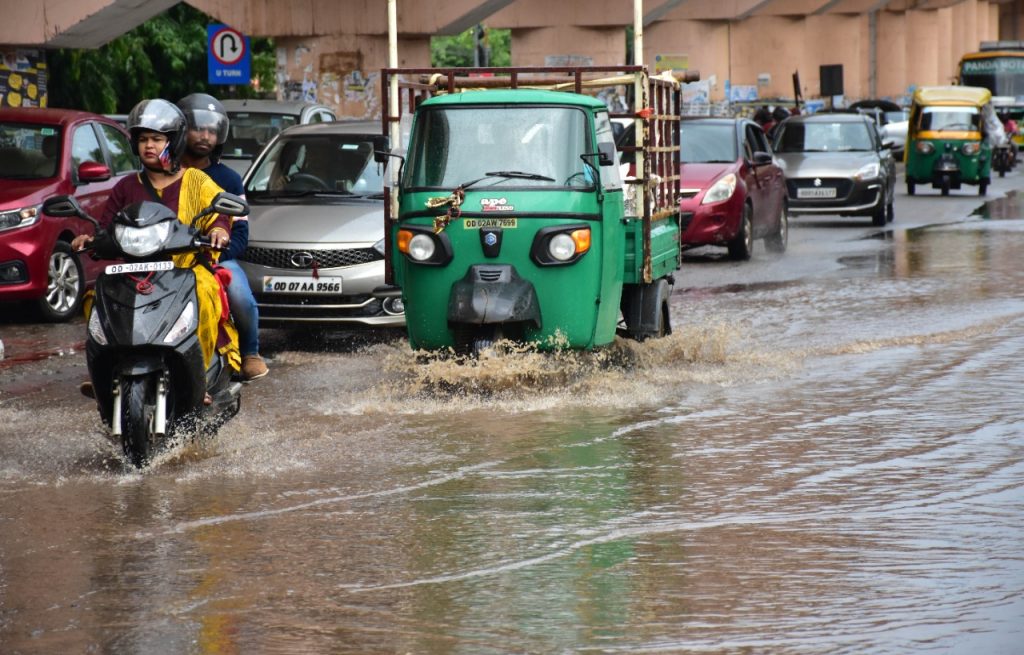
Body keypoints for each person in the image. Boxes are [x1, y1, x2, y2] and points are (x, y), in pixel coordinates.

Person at [72, 99, 240, 400]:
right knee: (94, 299)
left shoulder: (196, 180)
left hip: (185, 271)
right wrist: (90, 240)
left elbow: (219, 213)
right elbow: (107, 227)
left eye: (157, 139)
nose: (149, 145)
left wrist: (218, 229)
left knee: (205, 295)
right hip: (133, 272)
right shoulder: (126, 186)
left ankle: (198, 378)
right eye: (143, 139)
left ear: (173, 142)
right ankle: (106, 374)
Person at [177, 93, 268, 381]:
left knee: (241, 296)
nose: (205, 136)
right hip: (169, 257)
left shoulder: (229, 179)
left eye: (211, 130)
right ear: (181, 130)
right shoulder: (166, 173)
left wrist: (215, 255)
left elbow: (240, 233)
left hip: (216, 259)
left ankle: (250, 353)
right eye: (198, 128)